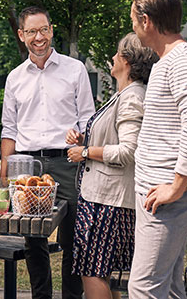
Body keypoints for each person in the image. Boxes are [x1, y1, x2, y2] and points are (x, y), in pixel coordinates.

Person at [1, 6, 95, 299]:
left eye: (43, 29)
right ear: (21, 35)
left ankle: (71, 297)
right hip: (28, 166)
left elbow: (89, 120)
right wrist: (5, 172)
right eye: (31, 31)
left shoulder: (74, 69)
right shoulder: (14, 77)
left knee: (72, 238)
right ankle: (41, 296)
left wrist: (80, 137)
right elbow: (9, 129)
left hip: (68, 163)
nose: (38, 37)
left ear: (51, 30)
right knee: (34, 240)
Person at [127, 0, 187, 299]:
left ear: (147, 21)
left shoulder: (182, 61)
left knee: (143, 287)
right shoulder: (170, 60)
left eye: (134, 21)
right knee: (171, 287)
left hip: (166, 194)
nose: (133, 28)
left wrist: (176, 186)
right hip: (159, 190)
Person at [65, 33, 159, 299]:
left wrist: (85, 151)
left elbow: (129, 150)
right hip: (104, 199)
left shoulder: (131, 97)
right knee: (102, 272)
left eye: (118, 53)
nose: (113, 58)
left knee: (93, 272)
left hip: (108, 202)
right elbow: (117, 139)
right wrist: (86, 139)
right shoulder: (124, 94)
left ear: (127, 61)